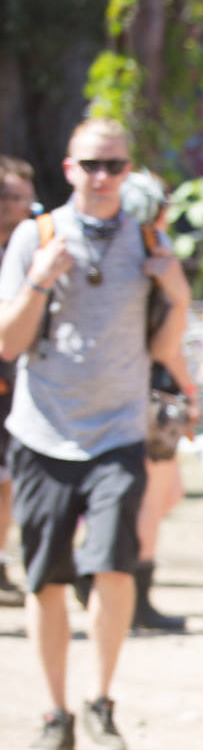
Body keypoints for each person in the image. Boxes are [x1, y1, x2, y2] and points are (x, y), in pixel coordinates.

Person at [0, 118, 192, 750]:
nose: (104, 177)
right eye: (92, 165)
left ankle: (101, 701)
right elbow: (8, 342)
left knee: (113, 564)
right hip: (44, 430)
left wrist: (176, 291)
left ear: (127, 170)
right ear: (69, 168)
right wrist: (38, 280)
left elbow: (163, 348)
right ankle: (56, 712)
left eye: (115, 165)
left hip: (117, 431)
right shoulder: (37, 235)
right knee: (46, 579)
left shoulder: (148, 240)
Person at [118, 168, 198, 634]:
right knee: (153, 496)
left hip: (136, 386)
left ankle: (115, 584)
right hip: (153, 389)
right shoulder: (152, 257)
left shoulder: (126, 255)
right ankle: (134, 596)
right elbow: (165, 346)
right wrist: (189, 393)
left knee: (163, 492)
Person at [0, 154, 38, 608]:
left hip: (21, 378)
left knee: (7, 478)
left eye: (20, 197)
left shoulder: (37, 246)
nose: (11, 205)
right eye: (5, 196)